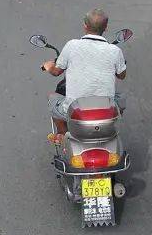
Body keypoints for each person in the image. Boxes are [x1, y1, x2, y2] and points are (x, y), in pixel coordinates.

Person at [42, 8, 127, 140]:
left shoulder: (71, 45)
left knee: (52, 97)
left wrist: (48, 66)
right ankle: (112, 126)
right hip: (106, 112)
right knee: (121, 98)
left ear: (85, 26)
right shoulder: (115, 51)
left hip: (75, 111)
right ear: (106, 27)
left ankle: (63, 134)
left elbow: (56, 71)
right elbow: (122, 75)